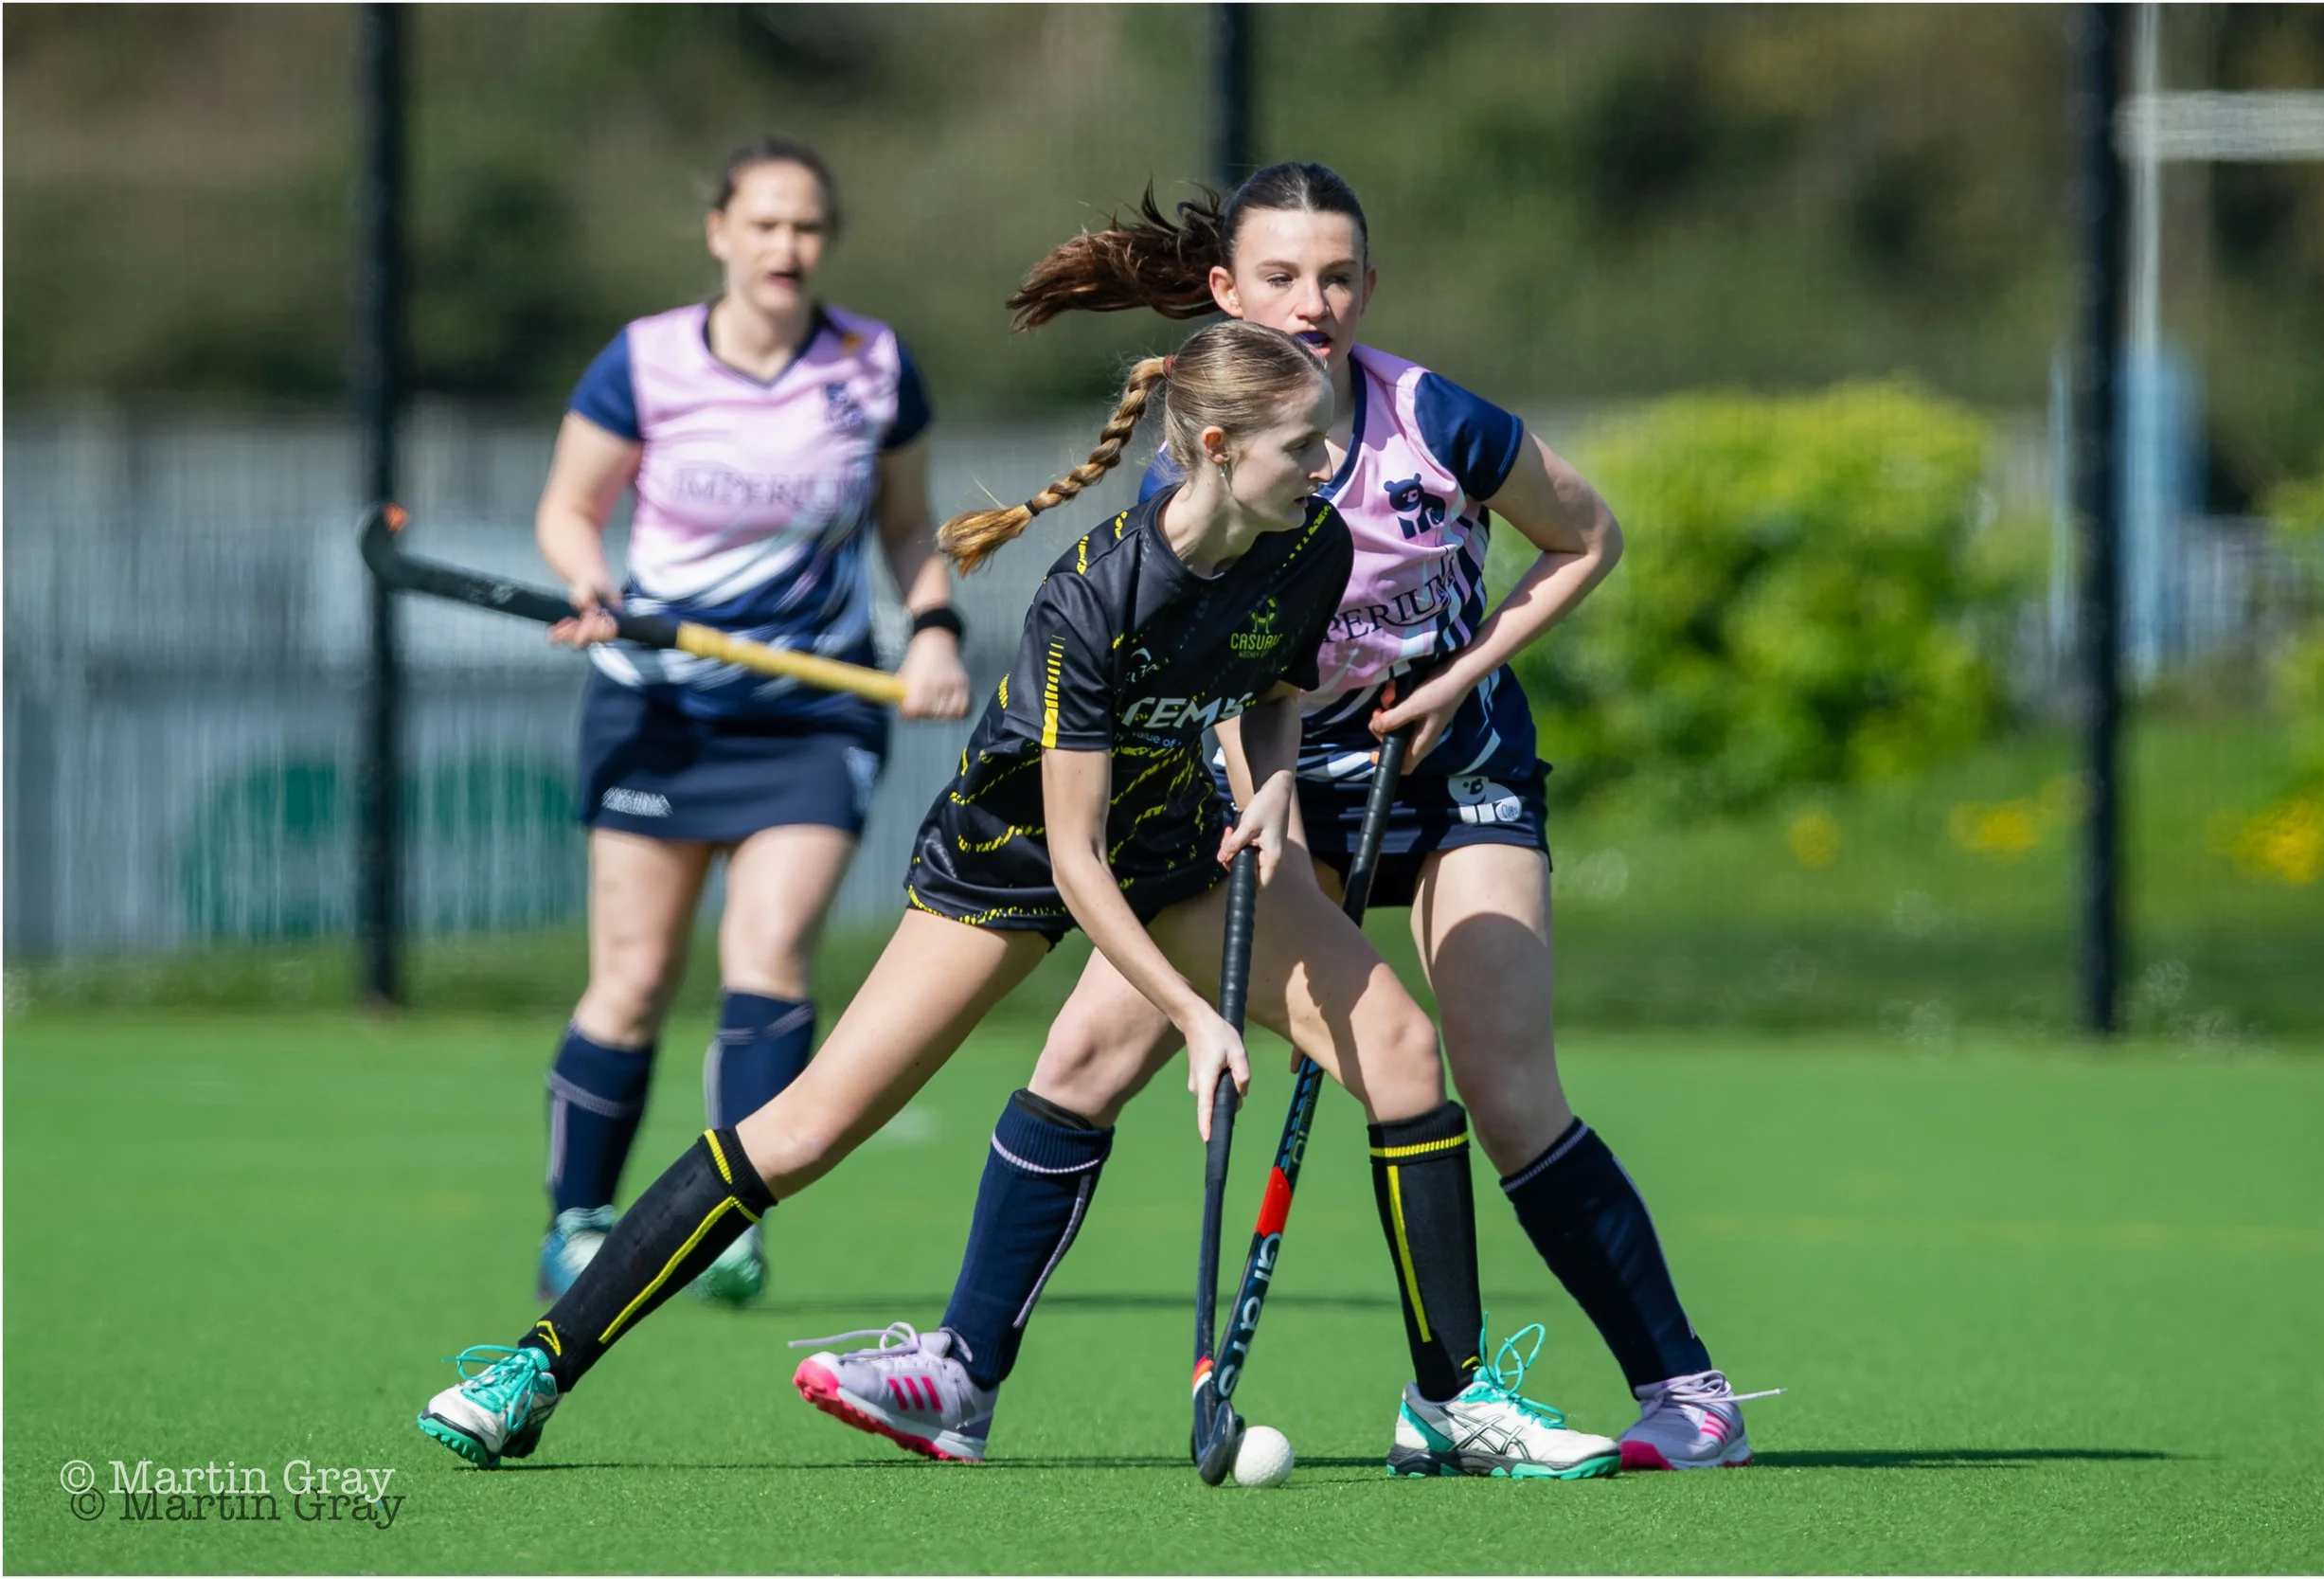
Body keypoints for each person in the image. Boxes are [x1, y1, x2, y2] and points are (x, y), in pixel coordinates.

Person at [418, 319, 1618, 1481]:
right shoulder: (1092, 596)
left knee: (1404, 1054)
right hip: (1010, 859)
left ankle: (1453, 1400)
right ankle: (533, 1365)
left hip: (1179, 837)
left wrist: (1273, 783)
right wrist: (1196, 1017)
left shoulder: (1311, 542)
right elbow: (1074, 858)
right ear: (1214, 447)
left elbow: (1273, 687)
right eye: (1303, 447)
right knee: (807, 1127)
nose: (1328, 465)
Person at [794, 163, 1767, 1473]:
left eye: (1338, 276)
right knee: (1085, 1057)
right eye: (1281, 277)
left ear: (1369, 283)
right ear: (1224, 290)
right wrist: (1261, 789)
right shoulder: (1209, 453)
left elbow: (1584, 539)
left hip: (1453, 773)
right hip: (1276, 784)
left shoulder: (1440, 421)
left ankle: (1683, 1392)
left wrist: (1462, 672)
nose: (1313, 304)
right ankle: (958, 1374)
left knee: (1502, 1077)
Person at [526, 136, 972, 1308]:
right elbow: (571, 510)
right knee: (629, 978)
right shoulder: (646, 361)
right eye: (765, 224)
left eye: (808, 226)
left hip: (813, 711)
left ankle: (729, 1219)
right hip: (655, 705)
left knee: (766, 955)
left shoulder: (873, 366)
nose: (787, 246)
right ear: (719, 230)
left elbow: (910, 526)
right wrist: (589, 583)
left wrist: (933, 628)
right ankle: (579, 1218)